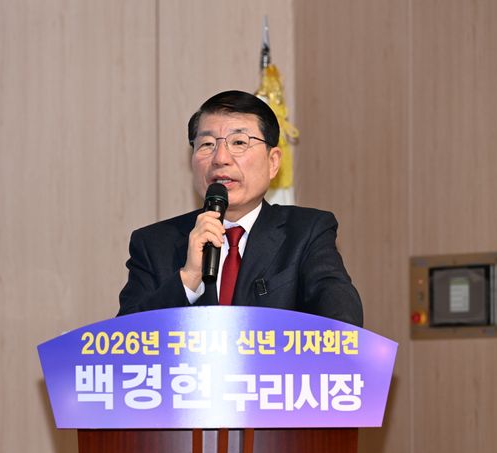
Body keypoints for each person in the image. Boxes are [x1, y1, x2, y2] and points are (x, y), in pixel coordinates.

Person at [117, 90, 363, 327]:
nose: (220, 158)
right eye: (207, 144)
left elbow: (343, 323)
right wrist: (189, 278)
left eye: (239, 142)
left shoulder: (307, 233)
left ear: (273, 162)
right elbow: (123, 341)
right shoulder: (153, 244)